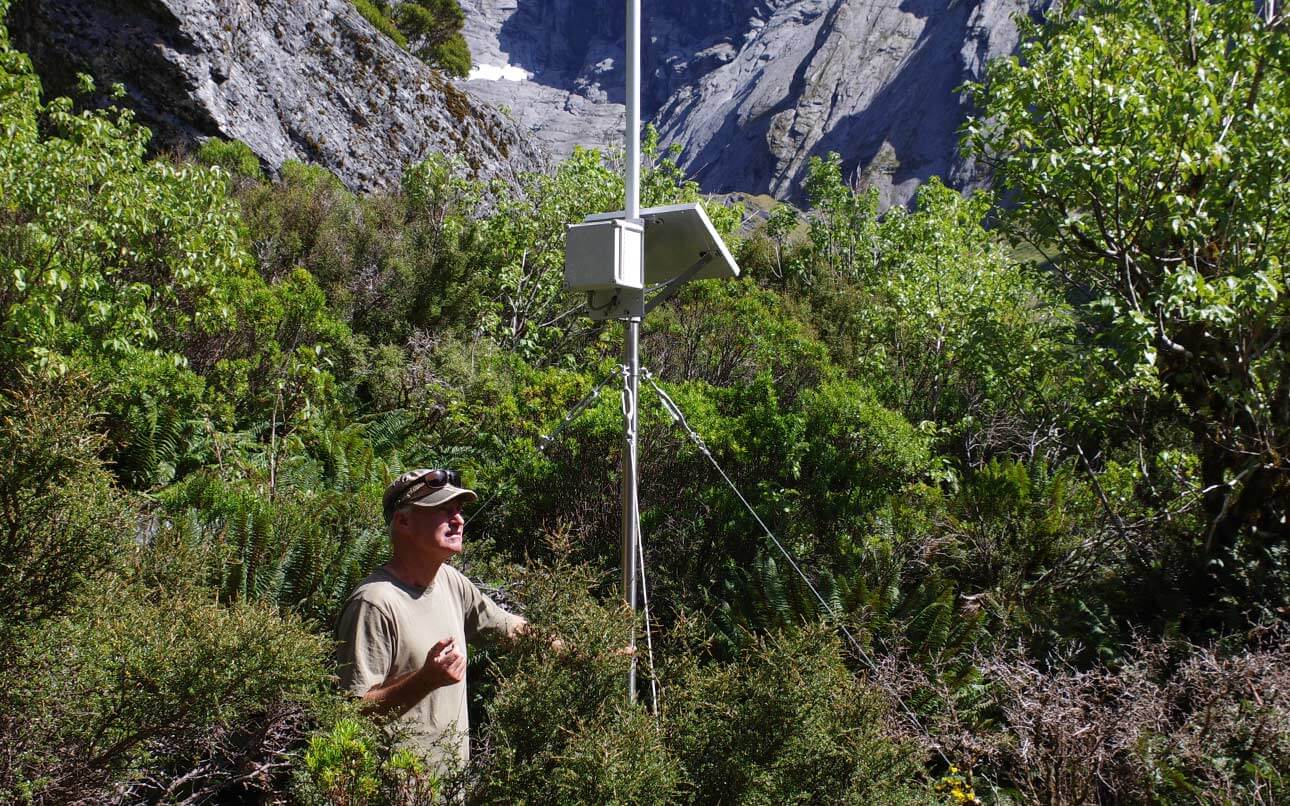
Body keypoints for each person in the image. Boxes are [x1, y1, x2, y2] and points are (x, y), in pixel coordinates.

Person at [336, 468, 529, 771]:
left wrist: (583, 653)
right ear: (403, 522)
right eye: (443, 510)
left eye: (459, 510)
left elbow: (507, 628)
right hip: (397, 792)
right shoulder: (374, 603)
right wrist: (425, 680)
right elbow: (352, 715)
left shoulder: (450, 581)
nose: (458, 520)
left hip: (451, 790)